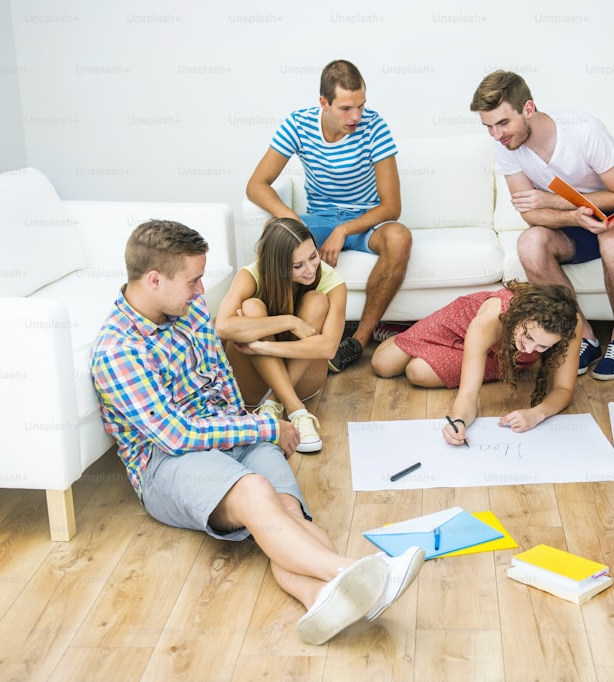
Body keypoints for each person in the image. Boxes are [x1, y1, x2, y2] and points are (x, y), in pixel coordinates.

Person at [90, 220, 424, 645]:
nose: (200, 292)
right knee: (254, 493)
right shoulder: (118, 351)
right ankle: (355, 572)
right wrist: (265, 425)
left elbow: (222, 378)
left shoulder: (187, 310)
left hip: (232, 432)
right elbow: (176, 435)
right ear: (154, 279)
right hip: (168, 461)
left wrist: (251, 430)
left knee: (287, 509)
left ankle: (321, 597)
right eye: (193, 281)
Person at [469, 70, 614, 381]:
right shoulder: (504, 145)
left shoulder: (583, 130)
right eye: (488, 126)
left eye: (503, 123)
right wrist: (574, 217)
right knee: (529, 244)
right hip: (579, 222)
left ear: (528, 109)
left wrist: (559, 203)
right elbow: (531, 214)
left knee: (612, 242)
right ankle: (582, 336)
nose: (496, 135)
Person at [246, 58, 412, 373]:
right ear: (324, 102)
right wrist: (292, 220)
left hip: (365, 221)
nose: (357, 116)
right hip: (320, 217)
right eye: (346, 108)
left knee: (399, 236)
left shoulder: (375, 126)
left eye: (361, 106)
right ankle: (281, 330)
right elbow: (256, 185)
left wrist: (345, 229)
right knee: (275, 229)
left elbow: (392, 207)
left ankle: (357, 341)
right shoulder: (298, 124)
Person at [371, 281, 581, 445]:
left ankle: (435, 351)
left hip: (498, 354)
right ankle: (403, 332)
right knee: (383, 364)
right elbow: (468, 396)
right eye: (528, 336)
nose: (528, 350)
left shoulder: (570, 326)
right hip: (462, 324)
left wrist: (537, 414)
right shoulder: (489, 322)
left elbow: (564, 388)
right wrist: (460, 419)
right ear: (520, 318)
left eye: (542, 347)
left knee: (417, 371)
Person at [214, 217, 346, 454]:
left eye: (313, 256)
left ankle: (276, 404)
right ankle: (296, 410)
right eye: (298, 266)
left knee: (317, 301)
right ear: (277, 266)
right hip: (252, 384)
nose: (310, 269)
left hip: (303, 380)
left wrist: (264, 347)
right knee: (252, 306)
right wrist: (288, 321)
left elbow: (328, 348)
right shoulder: (252, 274)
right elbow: (222, 327)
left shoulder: (330, 280)